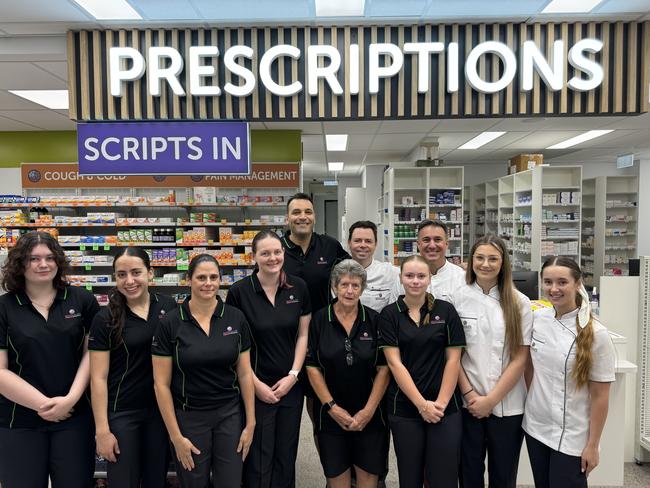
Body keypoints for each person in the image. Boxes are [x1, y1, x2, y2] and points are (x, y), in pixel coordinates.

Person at [0, 231, 100, 488]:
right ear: (20, 263)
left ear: (58, 261)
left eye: (49, 257)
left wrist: (69, 401)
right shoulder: (5, 307)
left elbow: (93, 355)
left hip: (74, 419)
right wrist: (44, 405)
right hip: (18, 421)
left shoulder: (82, 301)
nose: (43, 265)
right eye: (34, 259)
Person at [152, 254, 256, 488]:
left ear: (220, 280)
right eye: (201, 277)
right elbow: (161, 384)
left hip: (229, 415)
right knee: (193, 482)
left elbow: (245, 373)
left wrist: (250, 423)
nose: (208, 283)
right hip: (189, 418)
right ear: (188, 280)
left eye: (213, 277)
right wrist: (175, 436)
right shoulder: (170, 323)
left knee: (230, 482)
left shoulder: (235, 317)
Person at [226, 230, 311, 488]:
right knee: (259, 457)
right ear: (254, 257)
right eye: (265, 253)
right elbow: (235, 344)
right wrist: (254, 384)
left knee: (286, 454)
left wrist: (293, 376)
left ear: (283, 253)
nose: (272, 257)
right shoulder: (239, 292)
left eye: (277, 252)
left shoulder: (299, 287)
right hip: (255, 386)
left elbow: (303, 335)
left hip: (290, 387)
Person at [523, 257, 615, 488]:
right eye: (548, 282)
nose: (554, 289)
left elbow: (600, 396)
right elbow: (530, 367)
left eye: (562, 282)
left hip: (573, 435)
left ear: (577, 284)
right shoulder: (538, 319)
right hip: (536, 428)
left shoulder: (597, 334)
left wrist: (593, 445)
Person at [449, 235, 532, 488]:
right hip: (468, 403)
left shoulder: (519, 303)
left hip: (507, 405)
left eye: (493, 258)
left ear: (503, 262)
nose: (486, 264)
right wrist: (472, 395)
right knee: (469, 473)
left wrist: (491, 400)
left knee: (504, 476)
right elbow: (453, 355)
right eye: (480, 257)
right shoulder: (456, 299)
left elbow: (520, 358)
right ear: (471, 260)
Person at [89, 247, 177, 487]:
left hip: (160, 412)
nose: (129, 281)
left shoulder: (169, 308)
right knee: (123, 481)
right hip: (122, 413)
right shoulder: (105, 318)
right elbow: (97, 377)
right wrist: (102, 430)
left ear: (150, 273)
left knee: (156, 479)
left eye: (136, 272)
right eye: (121, 274)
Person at [379, 254, 465, 488]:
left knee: (444, 476)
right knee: (410, 475)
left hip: (445, 408)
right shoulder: (389, 314)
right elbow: (395, 364)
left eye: (421, 276)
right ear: (401, 278)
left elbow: (453, 360)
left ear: (429, 279)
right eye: (409, 276)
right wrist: (422, 405)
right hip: (405, 408)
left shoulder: (446, 311)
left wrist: (440, 404)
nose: (415, 281)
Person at [306, 259, 389, 488]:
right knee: (336, 479)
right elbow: (312, 367)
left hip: (370, 416)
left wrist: (368, 411)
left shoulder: (375, 320)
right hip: (331, 416)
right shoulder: (320, 320)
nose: (349, 291)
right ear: (334, 287)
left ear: (363, 288)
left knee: (368, 479)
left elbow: (384, 369)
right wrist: (332, 408)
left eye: (355, 285)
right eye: (344, 285)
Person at [281, 192, 350, 312]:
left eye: (308, 212)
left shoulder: (329, 245)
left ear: (314, 218)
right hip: (286, 325)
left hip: (322, 324)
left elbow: (352, 271)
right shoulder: (275, 248)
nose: (303, 217)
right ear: (287, 219)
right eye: (296, 212)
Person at [390, 220, 465, 303]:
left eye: (437, 239)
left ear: (446, 244)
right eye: (426, 240)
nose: (432, 245)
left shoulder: (461, 277)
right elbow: (394, 312)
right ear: (418, 244)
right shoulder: (405, 277)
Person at [347, 220, 399, 313]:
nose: (363, 245)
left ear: (375, 244)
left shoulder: (390, 272)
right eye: (357, 240)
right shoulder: (339, 273)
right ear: (349, 243)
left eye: (368, 241)